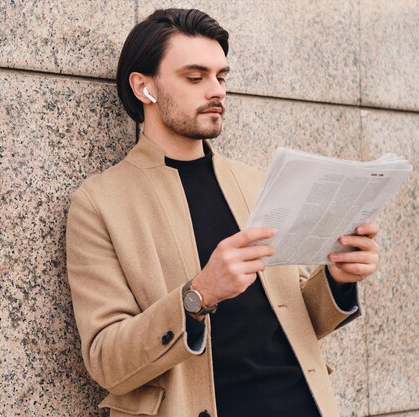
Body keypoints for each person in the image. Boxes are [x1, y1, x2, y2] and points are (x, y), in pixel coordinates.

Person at [66, 8, 380, 417]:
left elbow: (298, 319)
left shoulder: (257, 183)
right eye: (195, 78)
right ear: (145, 87)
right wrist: (198, 295)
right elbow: (107, 361)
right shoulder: (100, 203)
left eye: (221, 77)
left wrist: (338, 277)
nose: (216, 91)